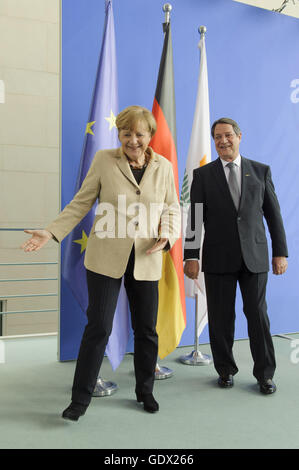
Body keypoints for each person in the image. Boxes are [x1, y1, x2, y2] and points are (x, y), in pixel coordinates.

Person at [21, 105, 180, 420]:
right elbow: (82, 201)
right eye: (126, 133)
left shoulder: (163, 167)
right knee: (99, 328)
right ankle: (79, 400)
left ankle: (145, 392)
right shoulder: (104, 160)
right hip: (105, 258)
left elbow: (172, 206)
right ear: (119, 133)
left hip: (146, 257)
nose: (132, 140)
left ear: (150, 135)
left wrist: (169, 234)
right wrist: (52, 231)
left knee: (147, 330)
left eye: (139, 134)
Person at [184, 117, 288, 395]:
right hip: (218, 258)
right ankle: (225, 370)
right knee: (220, 318)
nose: (222, 141)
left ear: (239, 137)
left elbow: (274, 216)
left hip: (254, 257)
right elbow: (194, 219)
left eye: (228, 135)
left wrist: (280, 252)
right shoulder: (203, 175)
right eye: (217, 137)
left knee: (258, 317)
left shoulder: (260, 171)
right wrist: (190, 256)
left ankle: (265, 374)